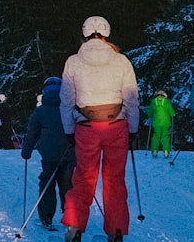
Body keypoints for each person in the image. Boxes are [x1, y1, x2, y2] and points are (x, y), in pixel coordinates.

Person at [60, 16, 139, 242]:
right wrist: (132, 128)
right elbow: (131, 99)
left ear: (85, 33)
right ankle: (116, 231)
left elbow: (66, 100)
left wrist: (68, 130)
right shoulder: (121, 61)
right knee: (114, 179)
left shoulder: (73, 62)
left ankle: (74, 227)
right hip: (116, 126)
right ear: (107, 33)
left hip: (86, 127)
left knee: (84, 177)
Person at [21, 77, 75, 230]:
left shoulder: (40, 111)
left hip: (49, 155)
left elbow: (32, 134)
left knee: (47, 184)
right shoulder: (70, 108)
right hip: (69, 154)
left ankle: (46, 218)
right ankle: (71, 217)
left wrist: (26, 151)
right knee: (68, 184)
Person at [147, 90, 175, 158]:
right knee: (165, 136)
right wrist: (173, 114)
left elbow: (149, 113)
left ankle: (154, 151)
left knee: (156, 136)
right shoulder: (167, 102)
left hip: (156, 122)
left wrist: (151, 115)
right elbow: (172, 113)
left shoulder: (153, 102)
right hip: (166, 123)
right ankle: (166, 152)